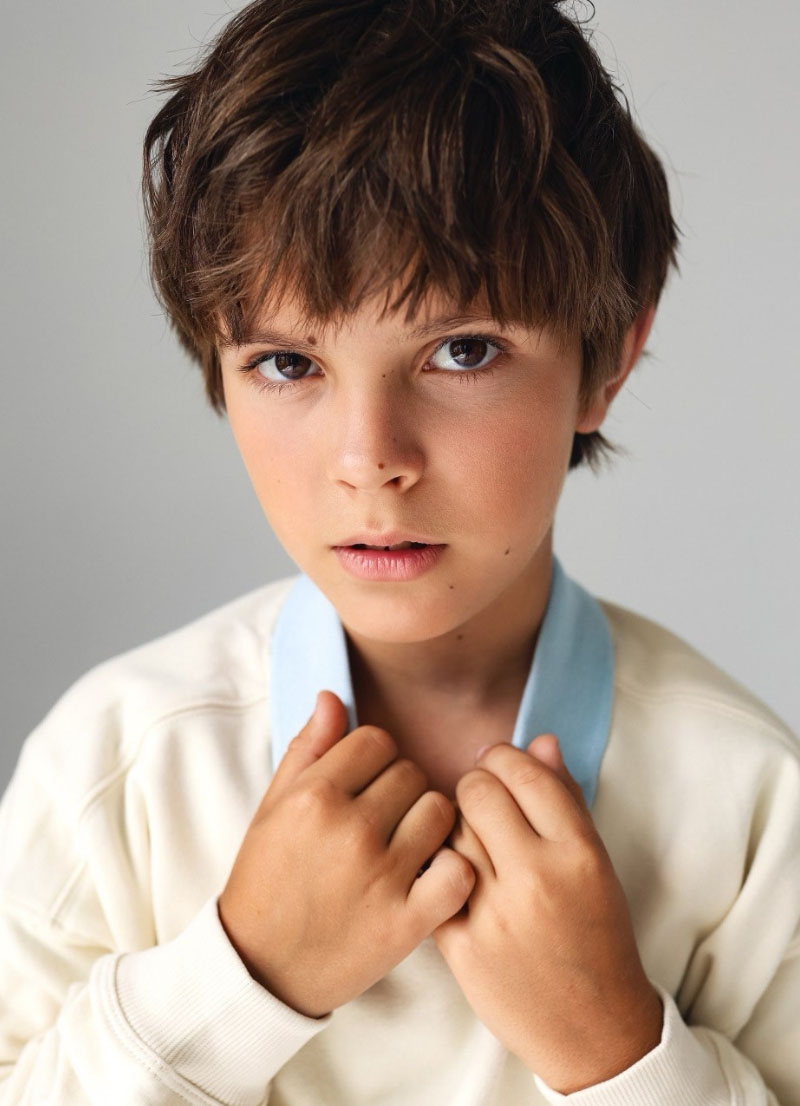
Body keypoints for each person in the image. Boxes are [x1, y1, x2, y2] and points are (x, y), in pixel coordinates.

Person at [1, 0, 798, 1102]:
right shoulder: (119, 767)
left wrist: (616, 1050)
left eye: (461, 351)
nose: (368, 460)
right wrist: (241, 979)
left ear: (608, 358)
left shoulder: (749, 802)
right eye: (288, 364)